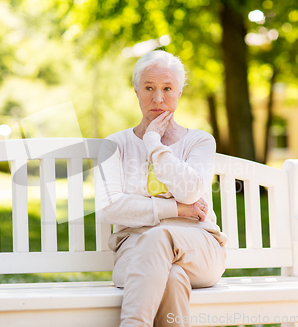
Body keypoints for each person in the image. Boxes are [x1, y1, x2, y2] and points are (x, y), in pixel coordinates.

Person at [96, 50, 227, 327]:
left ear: (179, 92)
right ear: (136, 91)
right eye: (149, 88)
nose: (158, 98)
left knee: (159, 237)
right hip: (134, 252)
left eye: (167, 88)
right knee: (171, 276)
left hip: (198, 249)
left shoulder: (200, 142)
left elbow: (190, 191)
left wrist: (154, 143)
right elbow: (109, 207)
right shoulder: (114, 145)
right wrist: (176, 209)